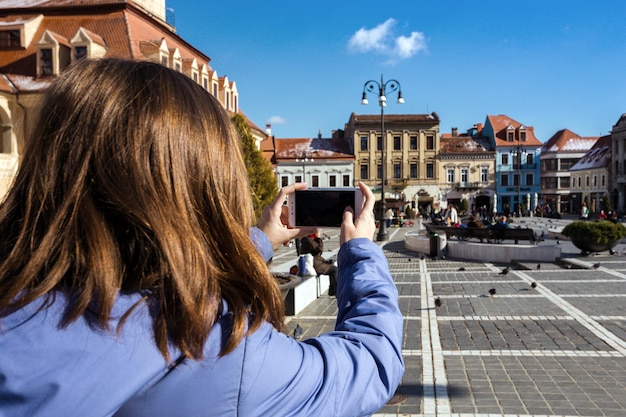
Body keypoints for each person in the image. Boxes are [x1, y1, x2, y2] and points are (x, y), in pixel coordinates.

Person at [0, 59, 404, 416]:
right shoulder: (216, 344)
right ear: (206, 190)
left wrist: (259, 239)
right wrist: (361, 251)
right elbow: (370, 360)